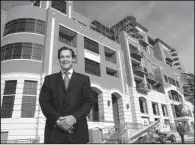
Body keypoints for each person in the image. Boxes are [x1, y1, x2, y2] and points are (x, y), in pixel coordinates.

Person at [39, 46, 94, 143]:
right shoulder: (49, 79)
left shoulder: (84, 79)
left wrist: (74, 117)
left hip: (78, 133)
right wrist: (57, 120)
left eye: (68, 57)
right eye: (62, 57)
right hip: (54, 133)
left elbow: (88, 102)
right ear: (59, 60)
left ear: (73, 59)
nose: (65, 59)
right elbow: (44, 102)